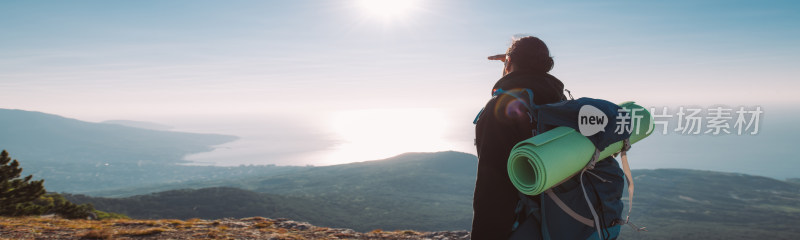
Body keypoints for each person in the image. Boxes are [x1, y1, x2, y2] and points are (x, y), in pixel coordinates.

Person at [471, 36, 567, 239]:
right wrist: (510, 62)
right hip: (557, 219)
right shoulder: (560, 101)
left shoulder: (501, 107)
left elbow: (492, 186)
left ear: (510, 62)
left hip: (521, 224)